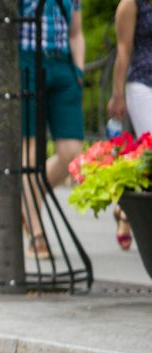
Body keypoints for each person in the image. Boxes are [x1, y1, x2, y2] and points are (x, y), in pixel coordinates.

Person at [18, 0, 85, 259]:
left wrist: (78, 70)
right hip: (26, 62)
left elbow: (76, 31)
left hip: (63, 66)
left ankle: (26, 202)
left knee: (72, 153)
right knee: (31, 150)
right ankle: (36, 233)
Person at [108, 0, 152, 250]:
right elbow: (123, 51)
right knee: (149, 153)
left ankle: (125, 211)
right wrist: (117, 94)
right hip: (143, 84)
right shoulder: (131, 4)